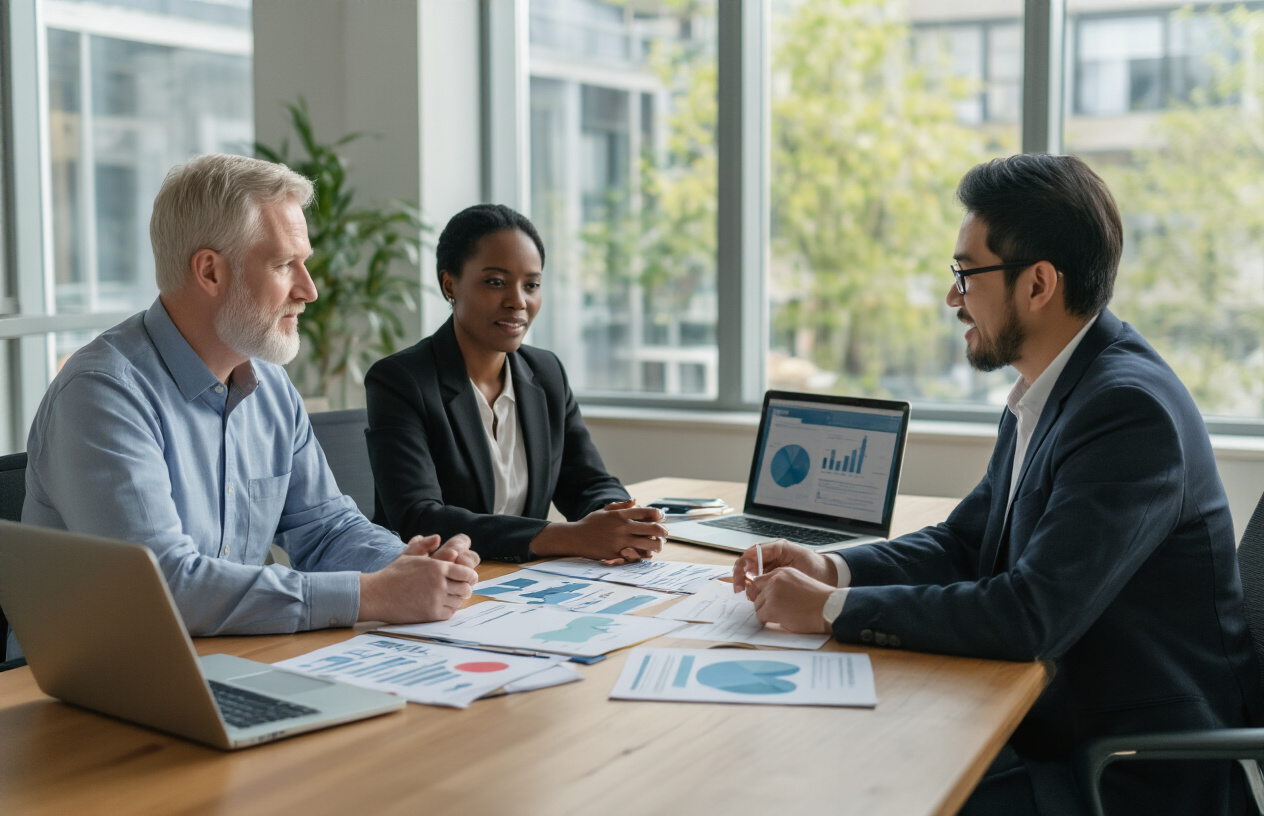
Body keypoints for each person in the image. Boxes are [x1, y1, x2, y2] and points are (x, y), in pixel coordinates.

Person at [733, 154, 1262, 815]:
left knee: (864, 792)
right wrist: (832, 568)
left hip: (1133, 771)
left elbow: (1029, 616)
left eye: (966, 274)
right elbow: (964, 544)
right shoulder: (1053, 389)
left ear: (1038, 284)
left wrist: (830, 610)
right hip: (1062, 730)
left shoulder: (1128, 411)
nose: (953, 298)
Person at [12, 154, 479, 662]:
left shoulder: (270, 385)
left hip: (227, 658)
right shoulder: (102, 393)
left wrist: (413, 564)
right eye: (284, 265)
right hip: (99, 677)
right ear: (210, 271)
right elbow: (164, 586)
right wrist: (371, 595)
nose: (309, 290)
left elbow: (325, 529)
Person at [365, 204, 667, 564]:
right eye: (496, 282)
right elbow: (419, 518)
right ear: (450, 284)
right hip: (433, 581)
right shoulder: (401, 381)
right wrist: (569, 536)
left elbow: (587, 482)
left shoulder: (546, 372)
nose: (518, 301)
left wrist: (619, 520)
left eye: (532, 285)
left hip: (524, 580)